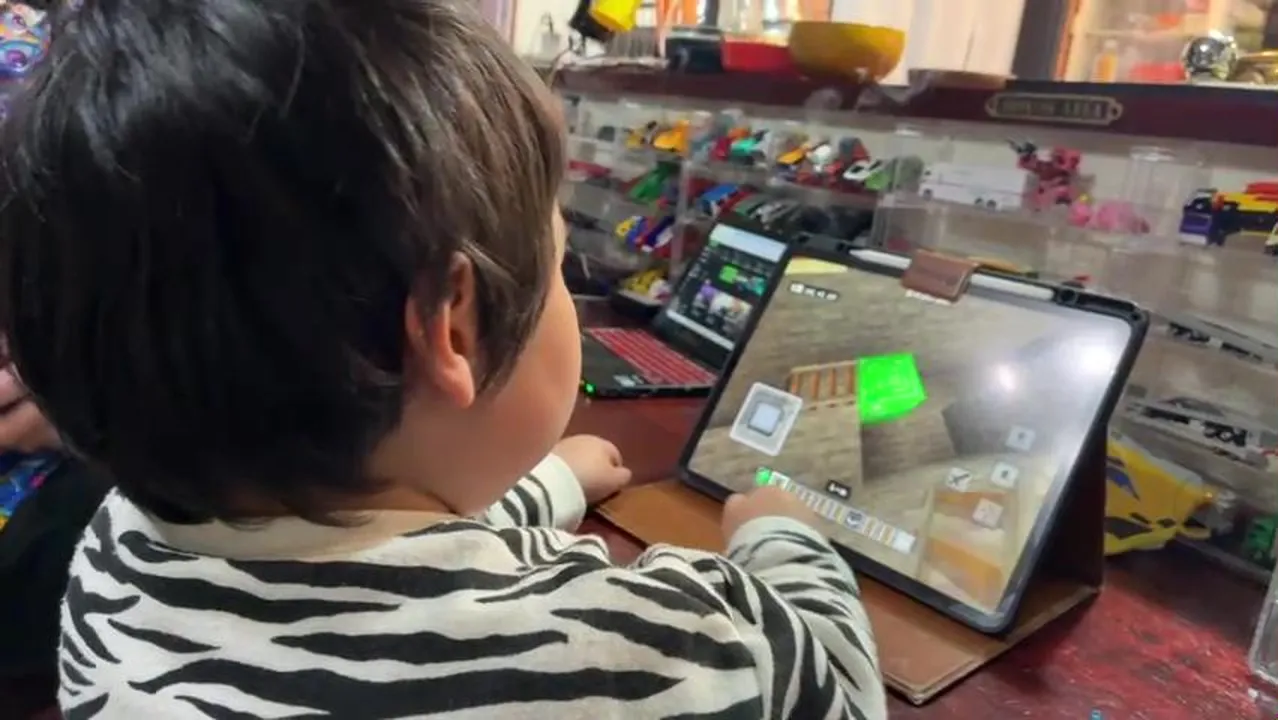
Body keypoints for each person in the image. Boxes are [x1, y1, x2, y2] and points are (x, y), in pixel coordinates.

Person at [0, 0, 886, 718]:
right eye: (560, 261)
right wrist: (785, 537)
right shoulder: (653, 650)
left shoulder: (115, 546)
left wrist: (550, 483)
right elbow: (840, 687)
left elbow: (371, 547)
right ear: (451, 326)